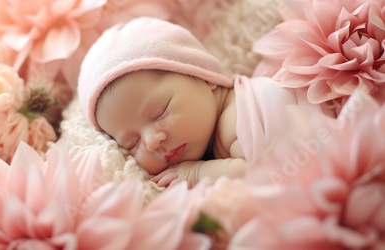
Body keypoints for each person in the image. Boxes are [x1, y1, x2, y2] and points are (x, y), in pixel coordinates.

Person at [77, 17, 332, 188]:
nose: (153, 140)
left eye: (159, 112)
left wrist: (197, 174)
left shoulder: (239, 115)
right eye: (131, 143)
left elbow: (260, 178)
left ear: (203, 76)